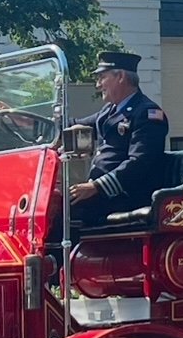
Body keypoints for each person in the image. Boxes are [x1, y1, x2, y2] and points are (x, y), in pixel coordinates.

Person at [64, 51, 169, 229]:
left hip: (125, 196)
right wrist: (34, 123)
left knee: (60, 213)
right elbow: (76, 125)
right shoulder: (109, 111)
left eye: (102, 77)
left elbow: (140, 162)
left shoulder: (148, 113)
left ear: (120, 76)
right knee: (51, 202)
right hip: (103, 195)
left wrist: (97, 186)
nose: (98, 85)